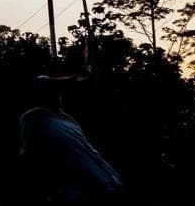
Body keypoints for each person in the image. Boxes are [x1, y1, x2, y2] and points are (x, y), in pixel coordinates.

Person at [19, 73, 123, 205]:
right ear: (40, 95)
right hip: (86, 189)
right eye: (51, 91)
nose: (57, 96)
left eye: (57, 92)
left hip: (108, 181)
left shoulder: (69, 120)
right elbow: (28, 158)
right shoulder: (34, 116)